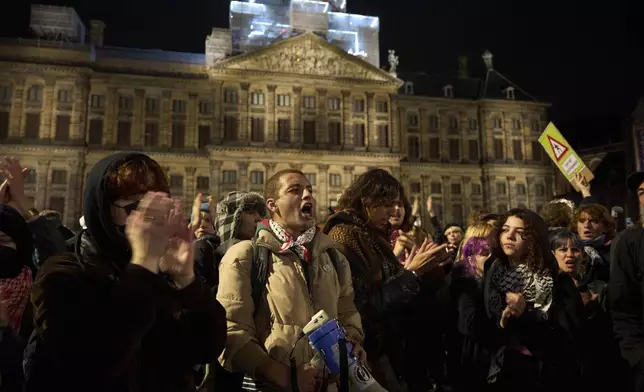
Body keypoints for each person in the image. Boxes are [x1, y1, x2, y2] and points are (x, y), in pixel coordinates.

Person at [24, 152, 227, 392]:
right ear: (102, 210)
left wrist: (188, 282)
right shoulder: (62, 272)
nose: (148, 219)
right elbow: (91, 363)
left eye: (155, 207)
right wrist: (142, 264)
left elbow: (205, 349)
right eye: (133, 207)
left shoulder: (161, 272)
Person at [217, 169, 363, 392]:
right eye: (295, 190)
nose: (307, 195)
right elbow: (232, 332)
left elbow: (347, 314)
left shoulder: (334, 258)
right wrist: (284, 375)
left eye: (310, 190)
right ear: (273, 205)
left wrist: (354, 341)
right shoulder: (244, 255)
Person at [324, 169, 449, 391]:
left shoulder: (371, 234)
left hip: (390, 348)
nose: (392, 211)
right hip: (368, 353)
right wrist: (410, 273)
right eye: (385, 204)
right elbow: (364, 304)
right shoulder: (345, 235)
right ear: (366, 201)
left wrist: (426, 271)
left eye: (395, 203)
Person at [484, 208, 583, 392]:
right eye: (505, 229)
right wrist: (503, 321)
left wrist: (527, 314)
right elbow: (487, 326)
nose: (510, 236)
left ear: (534, 239)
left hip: (547, 375)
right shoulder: (494, 272)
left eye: (520, 232)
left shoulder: (558, 279)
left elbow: (569, 336)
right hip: (506, 372)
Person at [190, 194, 221, 287]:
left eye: (207, 220)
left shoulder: (221, 248)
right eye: (198, 220)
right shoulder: (188, 248)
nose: (202, 225)